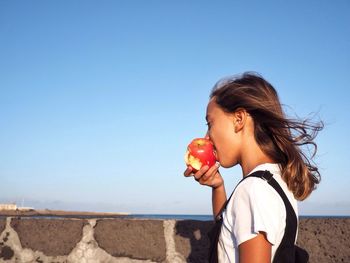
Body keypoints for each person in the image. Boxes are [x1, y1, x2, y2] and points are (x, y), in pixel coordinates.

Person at [184, 72, 323, 263]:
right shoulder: (275, 180)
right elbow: (230, 229)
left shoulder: (252, 190)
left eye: (210, 123)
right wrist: (218, 187)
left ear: (239, 119)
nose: (206, 137)